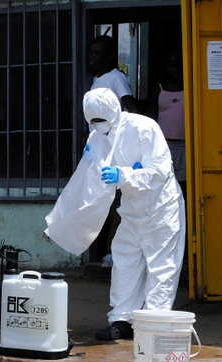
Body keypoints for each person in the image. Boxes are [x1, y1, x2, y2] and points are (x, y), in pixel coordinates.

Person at [82, 88, 185, 341]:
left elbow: (160, 171)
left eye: (100, 120)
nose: (98, 125)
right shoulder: (97, 136)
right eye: (92, 121)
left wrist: (125, 174)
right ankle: (122, 320)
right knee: (124, 263)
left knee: (161, 268)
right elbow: (92, 173)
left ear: (114, 111)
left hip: (160, 209)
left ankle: (153, 323)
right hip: (130, 210)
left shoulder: (143, 127)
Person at [87, 35, 139, 267]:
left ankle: (114, 253)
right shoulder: (96, 79)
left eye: (97, 53)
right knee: (103, 203)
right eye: (91, 52)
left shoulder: (116, 78)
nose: (91, 57)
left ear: (108, 56)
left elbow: (131, 108)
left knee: (118, 204)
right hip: (97, 152)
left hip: (113, 153)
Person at [148, 51, 186, 202]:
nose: (176, 70)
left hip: (186, 146)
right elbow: (151, 119)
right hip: (164, 146)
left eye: (179, 66)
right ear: (166, 67)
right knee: (165, 185)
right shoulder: (157, 90)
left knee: (183, 187)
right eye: (172, 66)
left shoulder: (191, 87)